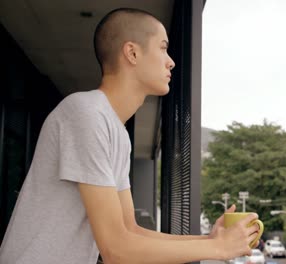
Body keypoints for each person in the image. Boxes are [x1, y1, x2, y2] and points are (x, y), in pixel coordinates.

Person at [0, 8, 260, 264]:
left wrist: (209, 241)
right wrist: (218, 250)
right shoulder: (85, 113)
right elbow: (117, 251)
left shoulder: (118, 133)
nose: (171, 61)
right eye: (162, 48)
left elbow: (129, 231)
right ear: (132, 53)